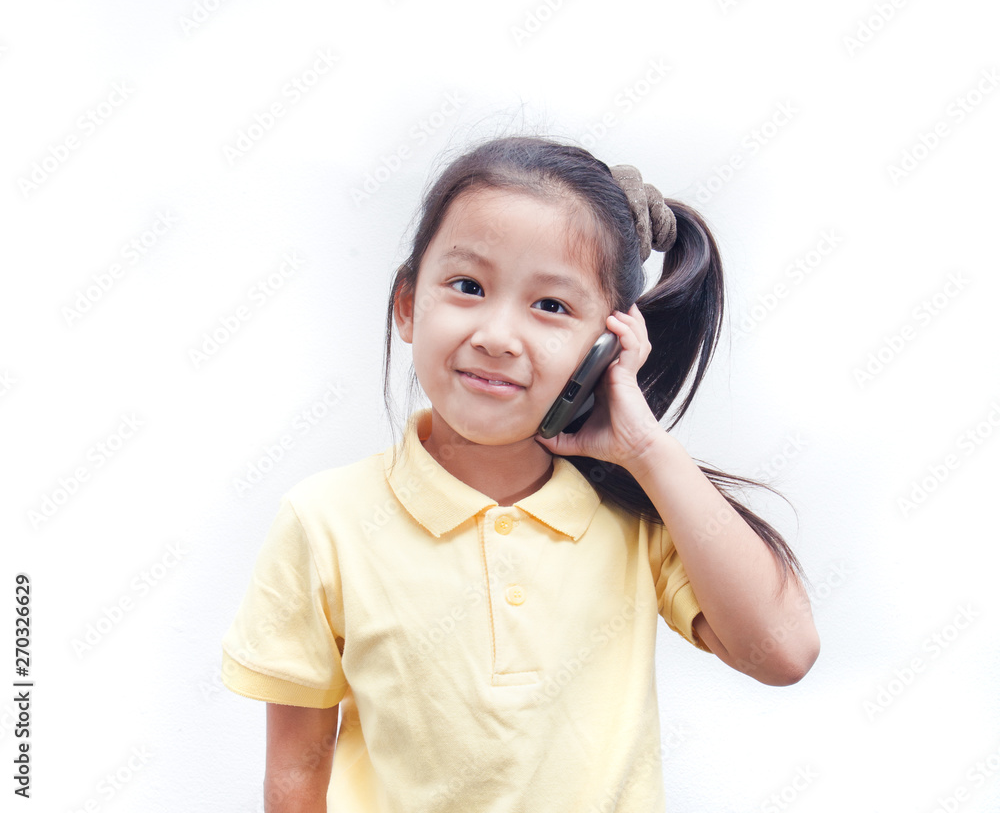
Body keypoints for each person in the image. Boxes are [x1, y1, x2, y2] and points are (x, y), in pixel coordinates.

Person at [220, 134, 821, 812]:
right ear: (409, 305)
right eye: (468, 287)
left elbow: (786, 652)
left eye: (551, 306)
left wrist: (648, 450)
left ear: (609, 346)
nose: (498, 335)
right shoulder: (325, 521)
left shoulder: (635, 519)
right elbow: (297, 774)